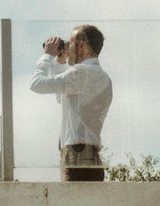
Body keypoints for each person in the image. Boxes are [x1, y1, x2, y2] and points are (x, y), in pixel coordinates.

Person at [30, 24, 113, 181]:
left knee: (70, 204)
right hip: (92, 156)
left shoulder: (80, 73)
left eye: (70, 43)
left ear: (81, 45)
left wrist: (47, 56)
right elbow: (63, 98)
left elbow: (36, 84)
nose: (68, 48)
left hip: (76, 155)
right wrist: (59, 64)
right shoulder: (103, 77)